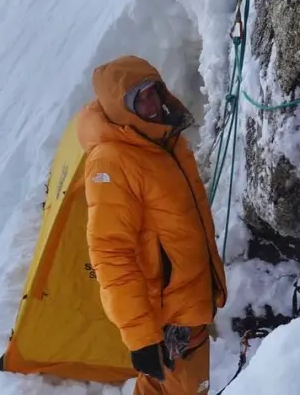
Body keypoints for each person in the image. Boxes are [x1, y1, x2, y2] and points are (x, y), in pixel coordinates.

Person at [77, 55, 226, 395]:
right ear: (120, 108)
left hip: (188, 300)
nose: (151, 104)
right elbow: (110, 254)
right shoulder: (113, 160)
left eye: (152, 91)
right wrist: (141, 337)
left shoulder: (166, 143)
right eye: (137, 99)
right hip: (170, 315)